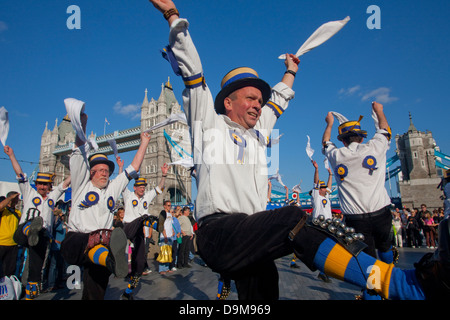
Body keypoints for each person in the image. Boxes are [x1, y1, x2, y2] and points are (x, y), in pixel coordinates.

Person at [148, 0, 448, 300]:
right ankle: (397, 285)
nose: (257, 104)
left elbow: (279, 100)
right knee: (292, 218)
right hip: (221, 232)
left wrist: (290, 70)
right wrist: (172, 15)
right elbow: (193, 73)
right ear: (228, 102)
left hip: (253, 233)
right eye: (251, 98)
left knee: (264, 294)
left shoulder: (258, 132)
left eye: (259, 101)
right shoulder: (208, 125)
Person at [60, 104, 151, 300]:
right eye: (100, 170)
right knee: (93, 244)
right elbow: (79, 152)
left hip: (102, 244)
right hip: (77, 240)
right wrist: (81, 126)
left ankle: (110, 261)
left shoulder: (112, 188)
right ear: (90, 172)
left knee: (96, 292)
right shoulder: (81, 185)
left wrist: (144, 142)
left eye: (107, 170)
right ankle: (112, 260)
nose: (104, 173)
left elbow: (133, 167)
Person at [322, 102, 394, 300]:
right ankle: (391, 281)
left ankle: (373, 295)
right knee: (386, 248)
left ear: (343, 141)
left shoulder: (337, 155)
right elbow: (384, 130)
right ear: (361, 136)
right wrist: (379, 110)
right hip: (381, 213)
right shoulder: (375, 147)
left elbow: (325, 143)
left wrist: (328, 124)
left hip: (355, 219)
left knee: (368, 262)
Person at [4, 145, 70, 299]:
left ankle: (29, 295)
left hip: (42, 237)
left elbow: (65, 183)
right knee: (32, 225)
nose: (41, 186)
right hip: (23, 232)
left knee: (36, 270)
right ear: (36, 184)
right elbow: (19, 173)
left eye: (44, 184)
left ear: (49, 186)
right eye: (39, 183)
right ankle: (32, 228)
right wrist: (12, 155)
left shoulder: (53, 196)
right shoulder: (28, 191)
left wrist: (78, 166)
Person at [120, 164, 168, 300]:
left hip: (139, 232)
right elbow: (121, 183)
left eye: (143, 187)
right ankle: (154, 223)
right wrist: (120, 168)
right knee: (144, 217)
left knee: (140, 262)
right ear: (134, 187)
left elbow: (159, 188)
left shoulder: (147, 197)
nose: (142, 189)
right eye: (140, 187)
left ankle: (129, 291)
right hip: (129, 228)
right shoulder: (128, 195)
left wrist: (163, 175)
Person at [310, 160, 333, 282]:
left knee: (327, 248)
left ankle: (323, 271)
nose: (325, 189)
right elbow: (315, 181)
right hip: (318, 224)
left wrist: (330, 175)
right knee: (320, 248)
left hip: (328, 225)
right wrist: (317, 169)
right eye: (323, 187)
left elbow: (329, 186)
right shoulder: (316, 196)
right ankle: (320, 269)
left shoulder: (326, 197)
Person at [0, 192, 21, 279]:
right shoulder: (3, 210)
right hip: (1, 243)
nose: (16, 201)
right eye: (14, 199)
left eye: (17, 199)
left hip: (13, 244)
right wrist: (9, 198)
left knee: (9, 271)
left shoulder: (17, 212)